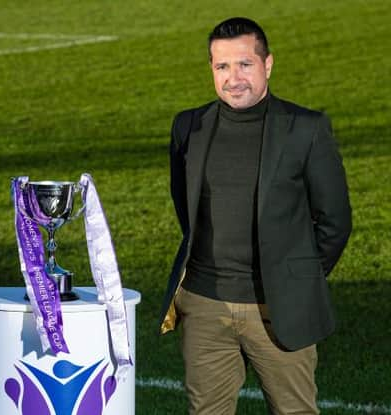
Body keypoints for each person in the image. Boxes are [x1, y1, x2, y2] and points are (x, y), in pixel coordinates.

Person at [158, 17, 352, 414]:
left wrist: (296, 278)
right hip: (204, 304)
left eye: (245, 64)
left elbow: (335, 220)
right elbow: (186, 207)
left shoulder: (305, 128)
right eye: (222, 66)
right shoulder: (188, 126)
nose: (234, 78)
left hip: (277, 307)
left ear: (268, 64)